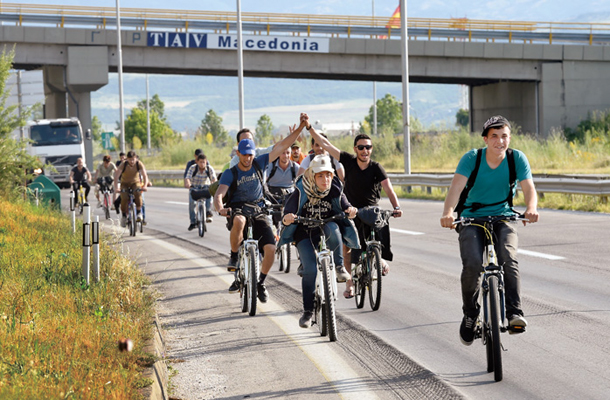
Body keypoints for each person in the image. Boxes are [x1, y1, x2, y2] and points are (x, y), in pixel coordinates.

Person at [440, 115, 539, 345]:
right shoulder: (472, 159)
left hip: (503, 217)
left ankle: (514, 313)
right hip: (471, 219)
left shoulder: (517, 159)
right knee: (473, 264)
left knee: (509, 257)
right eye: (494, 136)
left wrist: (531, 208)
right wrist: (448, 212)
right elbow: (455, 188)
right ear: (485, 139)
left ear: (509, 138)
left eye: (504, 136)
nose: (500, 141)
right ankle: (471, 313)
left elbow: (529, 188)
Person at [302, 113, 403, 299]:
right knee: (346, 248)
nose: (365, 151)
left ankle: (378, 257)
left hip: (370, 210)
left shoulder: (376, 167)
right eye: (361, 147)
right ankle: (349, 284)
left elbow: (388, 189)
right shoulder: (347, 160)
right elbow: (325, 145)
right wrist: (309, 128)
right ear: (355, 149)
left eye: (368, 147)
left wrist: (396, 207)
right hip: (349, 210)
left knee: (380, 224)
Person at [213, 127, 303, 301]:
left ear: (254, 153)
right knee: (239, 220)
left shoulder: (260, 162)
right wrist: (220, 208)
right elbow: (219, 194)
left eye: (250, 155)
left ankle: (261, 282)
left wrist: (299, 128)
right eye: (244, 154)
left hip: (259, 209)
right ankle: (233, 257)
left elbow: (282, 145)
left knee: (270, 248)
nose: (248, 158)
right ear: (238, 153)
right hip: (239, 209)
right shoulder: (230, 173)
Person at [279, 155, 358, 328]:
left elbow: (345, 205)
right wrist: (288, 219)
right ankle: (308, 311)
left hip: (325, 228)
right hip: (304, 232)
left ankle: (339, 267)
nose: (325, 179)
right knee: (310, 269)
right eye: (320, 175)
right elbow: (288, 212)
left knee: (333, 227)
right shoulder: (301, 190)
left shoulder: (335, 188)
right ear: (312, 176)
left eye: (328, 175)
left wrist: (350, 210)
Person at [113, 151, 149, 227]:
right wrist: (116, 188)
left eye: (133, 159)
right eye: (130, 159)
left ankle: (139, 213)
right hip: (125, 183)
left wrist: (145, 186)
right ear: (127, 159)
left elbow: (145, 175)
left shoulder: (139, 164)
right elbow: (116, 177)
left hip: (135, 183)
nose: (132, 161)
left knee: (138, 193)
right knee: (124, 197)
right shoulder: (123, 164)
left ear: (136, 158)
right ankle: (123, 216)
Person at [185, 153, 217, 229]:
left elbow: (214, 179)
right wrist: (188, 184)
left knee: (210, 194)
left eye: (204, 162)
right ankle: (193, 222)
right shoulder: (193, 168)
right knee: (192, 204)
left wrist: (214, 185)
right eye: (200, 162)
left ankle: (208, 212)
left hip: (205, 186)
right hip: (194, 187)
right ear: (197, 162)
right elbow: (188, 178)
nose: (202, 164)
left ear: (206, 162)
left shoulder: (209, 169)